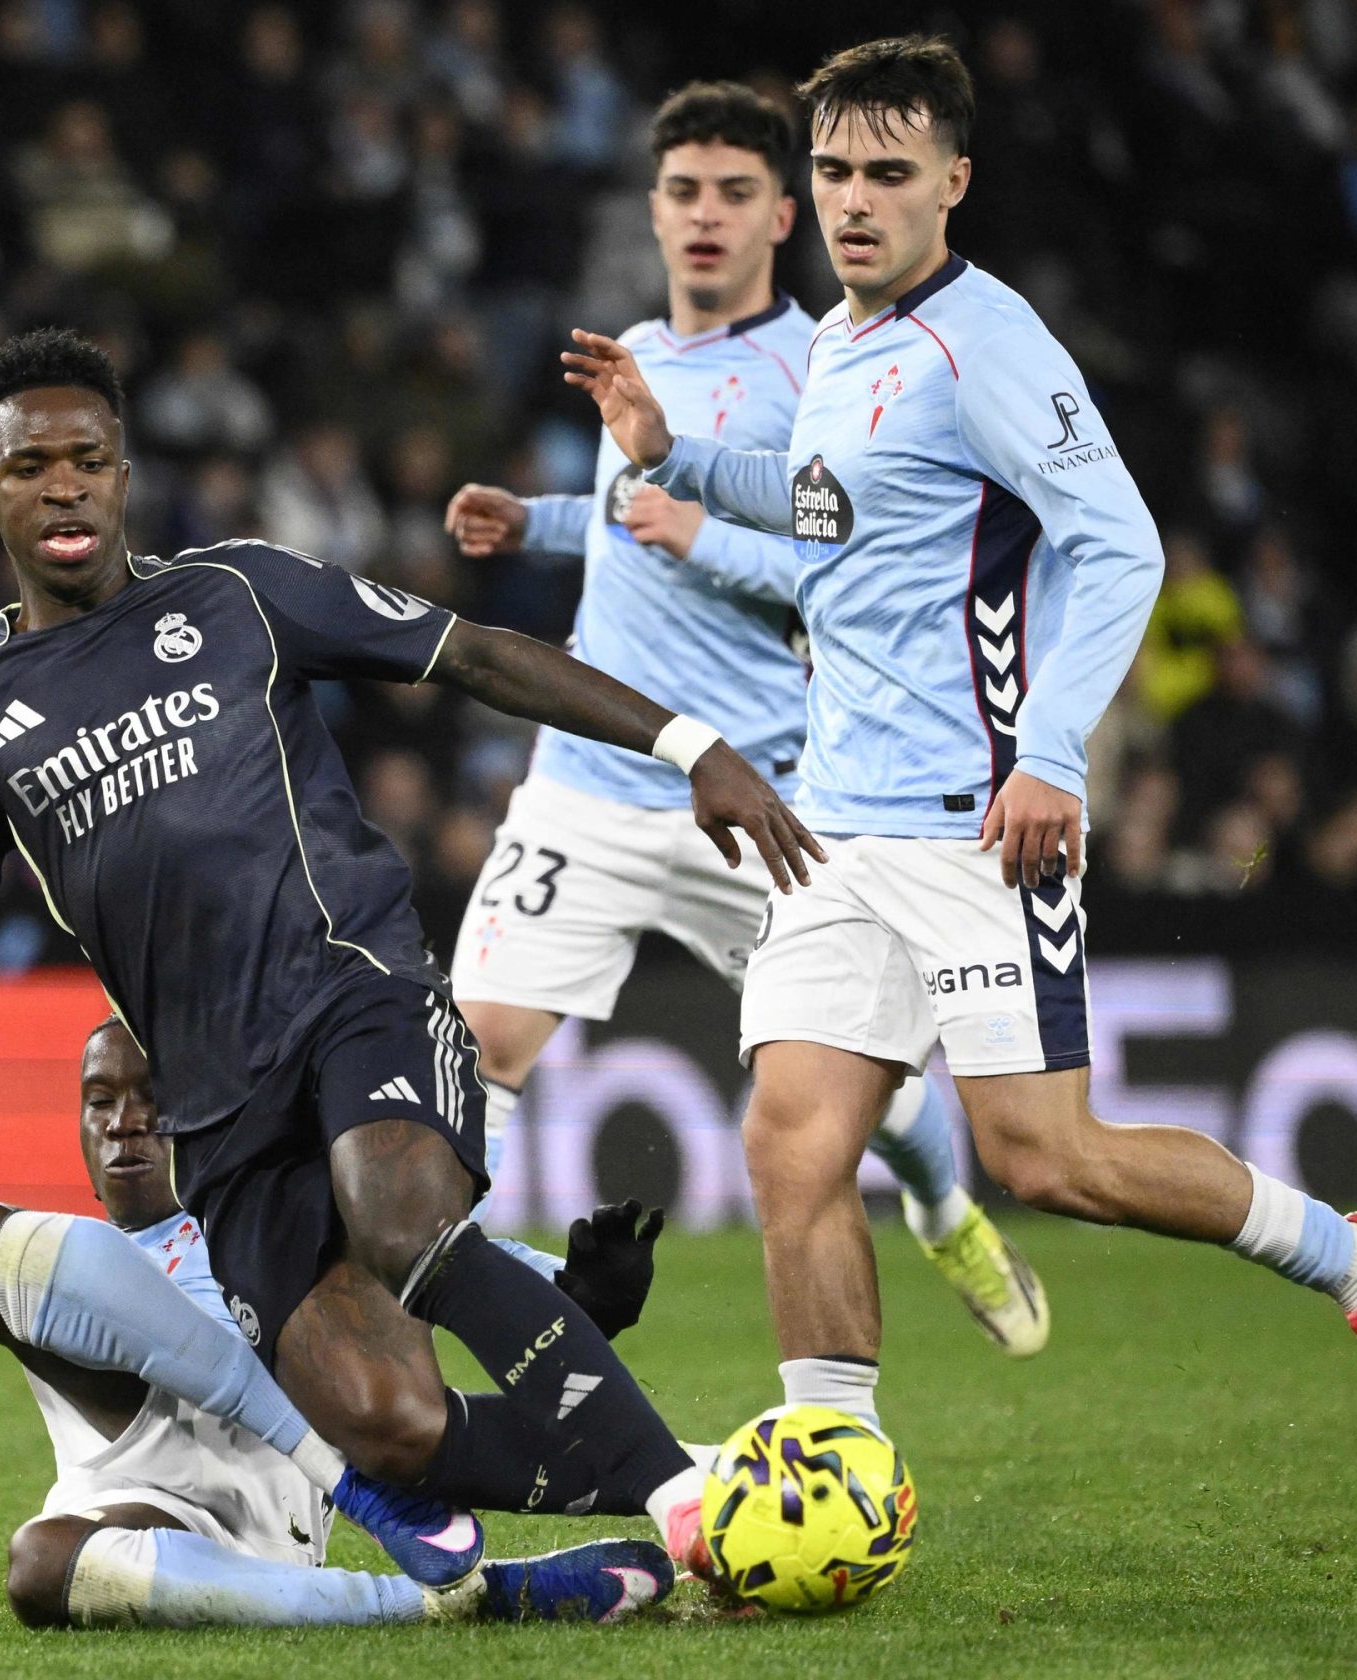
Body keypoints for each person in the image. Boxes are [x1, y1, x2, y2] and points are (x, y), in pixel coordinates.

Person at [559, 36, 1357, 1476]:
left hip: (974, 822)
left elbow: (1122, 547)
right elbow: (825, 511)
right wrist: (669, 452)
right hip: (830, 828)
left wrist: (1053, 756)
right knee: (793, 1147)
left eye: (888, 174)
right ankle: (835, 1468)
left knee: (1050, 1164)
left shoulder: (987, 346)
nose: (854, 200)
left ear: (954, 184)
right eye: (837, 169)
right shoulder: (847, 340)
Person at [0, 328, 821, 1587]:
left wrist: (689, 746)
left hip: (354, 992)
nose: (64, 485)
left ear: (125, 473)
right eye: (32, 468)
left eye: (89, 459)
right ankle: (706, 1471)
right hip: (216, 1099)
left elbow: (469, 653)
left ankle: (693, 1509)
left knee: (403, 1218)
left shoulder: (237, 592)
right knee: (384, 1419)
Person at [442, 81, 1046, 1360]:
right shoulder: (635, 355)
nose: (702, 218)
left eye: (731, 194)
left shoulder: (819, 369)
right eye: (680, 193)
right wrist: (539, 520)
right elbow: (628, 525)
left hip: (758, 795)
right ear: (652, 212)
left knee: (861, 1091)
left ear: (783, 213)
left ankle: (946, 1207)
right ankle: (497, 1294)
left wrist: (710, 535)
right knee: (478, 1043)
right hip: (593, 783)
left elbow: (852, 568)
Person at [0, 1020, 673, 1629]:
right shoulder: (69, 1272)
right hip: (147, 1514)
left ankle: (716, 1494)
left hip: (271, 1530)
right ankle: (457, 1597)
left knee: (371, 1258)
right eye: (100, 1102)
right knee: (40, 1561)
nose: (125, 1124)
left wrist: (587, 1300)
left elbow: (499, 1295)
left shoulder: (298, 1221)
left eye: (152, 1100)